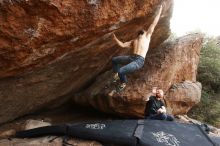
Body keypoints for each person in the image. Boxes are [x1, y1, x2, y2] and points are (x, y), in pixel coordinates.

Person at [111, 5, 163, 91]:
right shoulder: (134, 40)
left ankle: (123, 82)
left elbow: (154, 23)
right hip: (131, 57)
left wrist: (160, 11)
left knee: (121, 71)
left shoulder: (147, 36)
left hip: (139, 61)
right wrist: (115, 38)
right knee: (114, 60)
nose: (144, 30)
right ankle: (117, 75)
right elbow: (122, 45)